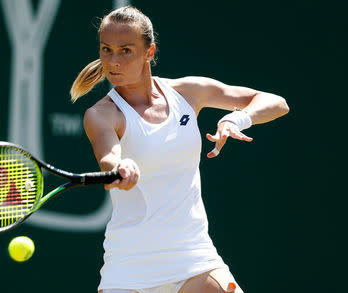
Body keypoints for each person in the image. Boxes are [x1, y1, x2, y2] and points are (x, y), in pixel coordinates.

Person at [70, 6, 289, 293]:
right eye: (106, 49)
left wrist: (235, 118)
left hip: (194, 256)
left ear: (150, 52)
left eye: (126, 50)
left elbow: (276, 102)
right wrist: (120, 169)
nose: (114, 61)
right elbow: (109, 158)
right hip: (129, 268)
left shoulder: (187, 92)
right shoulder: (101, 114)